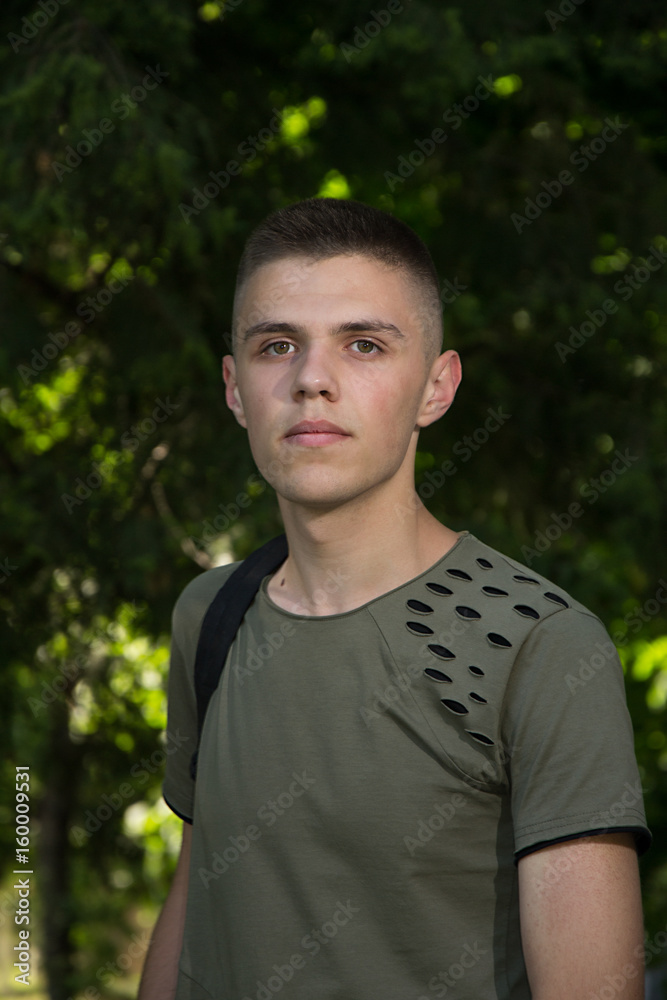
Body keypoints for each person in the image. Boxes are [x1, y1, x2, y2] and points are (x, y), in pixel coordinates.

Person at [138, 198, 651, 1000]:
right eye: (277, 345)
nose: (311, 380)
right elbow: (200, 891)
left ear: (435, 388)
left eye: (364, 345)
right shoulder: (211, 615)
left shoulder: (540, 646)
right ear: (236, 389)